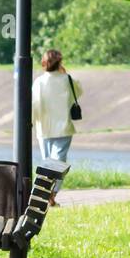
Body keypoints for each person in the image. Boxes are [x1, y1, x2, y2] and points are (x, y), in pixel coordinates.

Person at [31, 48, 81, 206]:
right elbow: (78, 92)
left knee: (46, 162)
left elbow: (34, 104)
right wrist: (64, 73)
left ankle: (46, 195)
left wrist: (31, 122)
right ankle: (51, 194)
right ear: (60, 63)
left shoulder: (39, 81)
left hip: (43, 128)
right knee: (58, 163)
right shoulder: (67, 79)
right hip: (63, 128)